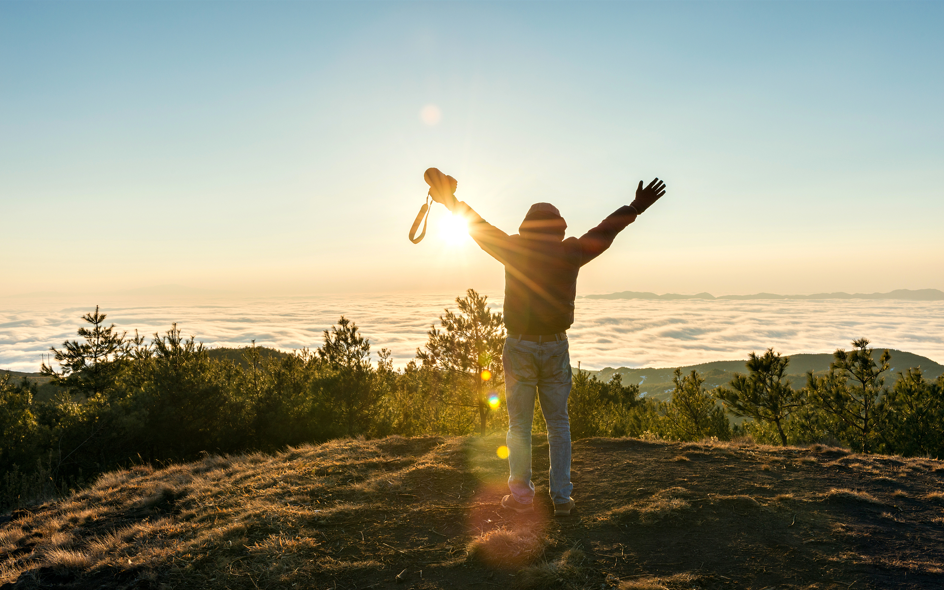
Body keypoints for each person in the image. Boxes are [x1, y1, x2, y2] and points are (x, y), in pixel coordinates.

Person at [426, 170, 667, 516]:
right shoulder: (572, 251)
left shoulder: (513, 248)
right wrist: (635, 207)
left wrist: (450, 201)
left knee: (519, 427)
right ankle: (562, 499)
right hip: (555, 346)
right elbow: (606, 230)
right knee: (559, 425)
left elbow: (477, 226)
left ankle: (522, 498)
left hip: (520, 346)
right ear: (560, 228)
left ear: (526, 227)